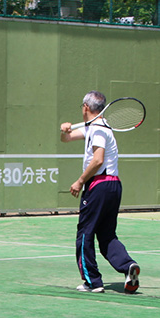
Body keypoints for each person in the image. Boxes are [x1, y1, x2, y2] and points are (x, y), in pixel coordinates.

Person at [60, 91, 140, 294]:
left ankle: (92, 281)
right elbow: (66, 139)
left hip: (99, 186)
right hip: (113, 186)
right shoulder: (94, 128)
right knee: (107, 235)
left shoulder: (98, 130)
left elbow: (98, 160)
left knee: (85, 234)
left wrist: (79, 181)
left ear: (86, 107)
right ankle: (128, 266)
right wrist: (64, 129)